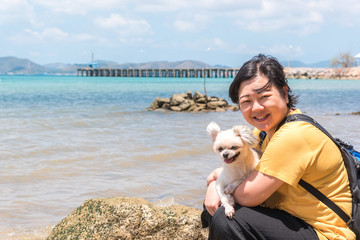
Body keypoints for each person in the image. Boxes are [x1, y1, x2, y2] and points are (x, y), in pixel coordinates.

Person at [201, 54, 355, 240]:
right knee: (217, 209)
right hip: (296, 220)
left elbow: (249, 195)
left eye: (264, 97)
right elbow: (238, 163)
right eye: (246, 101)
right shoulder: (265, 132)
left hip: (327, 233)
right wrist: (216, 184)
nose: (256, 108)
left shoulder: (293, 135)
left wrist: (216, 183)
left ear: (285, 93)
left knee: (229, 220)